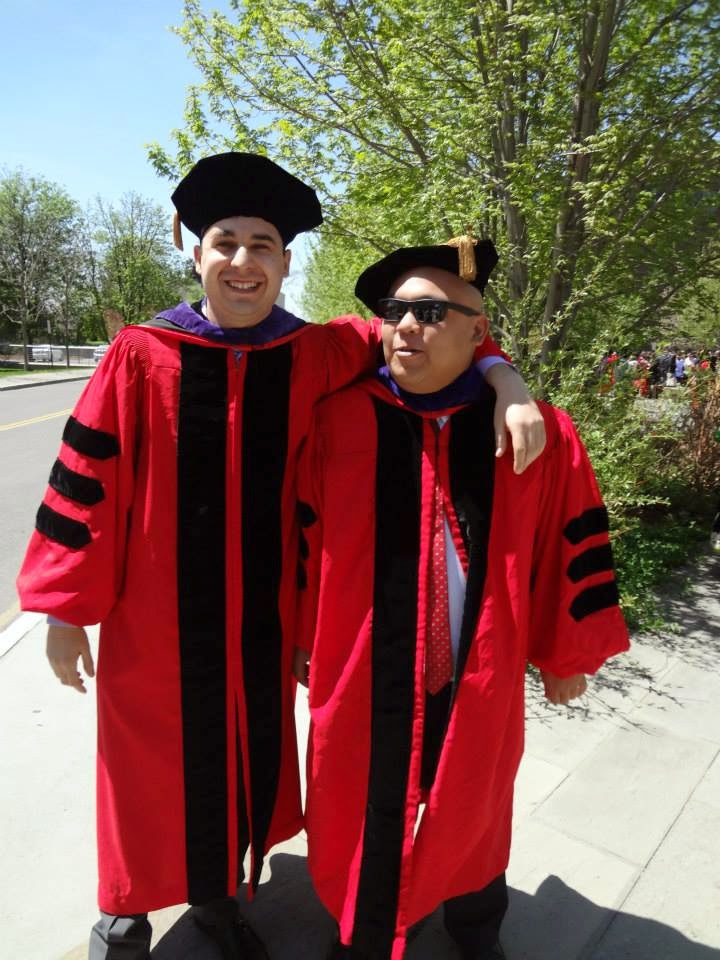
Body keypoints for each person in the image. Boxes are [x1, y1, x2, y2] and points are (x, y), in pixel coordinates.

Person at [16, 154, 545, 960]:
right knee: (143, 773)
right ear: (196, 253)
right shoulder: (140, 355)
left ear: (286, 262)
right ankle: (123, 915)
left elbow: (436, 325)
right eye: (225, 242)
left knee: (245, 768)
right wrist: (63, 612)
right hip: (155, 625)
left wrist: (505, 377)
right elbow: (86, 482)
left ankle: (219, 899)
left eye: (261, 245)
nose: (243, 261)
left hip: (266, 625)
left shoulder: (319, 351)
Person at [293, 236, 630, 960]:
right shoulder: (338, 421)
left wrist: (566, 654)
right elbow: (302, 541)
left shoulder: (537, 431)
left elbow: (568, 544)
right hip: (365, 667)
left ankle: (475, 928)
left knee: (476, 802)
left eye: (431, 313)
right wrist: (299, 636)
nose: (407, 326)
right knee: (363, 805)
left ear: (480, 334)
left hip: (479, 669)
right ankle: (366, 930)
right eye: (395, 311)